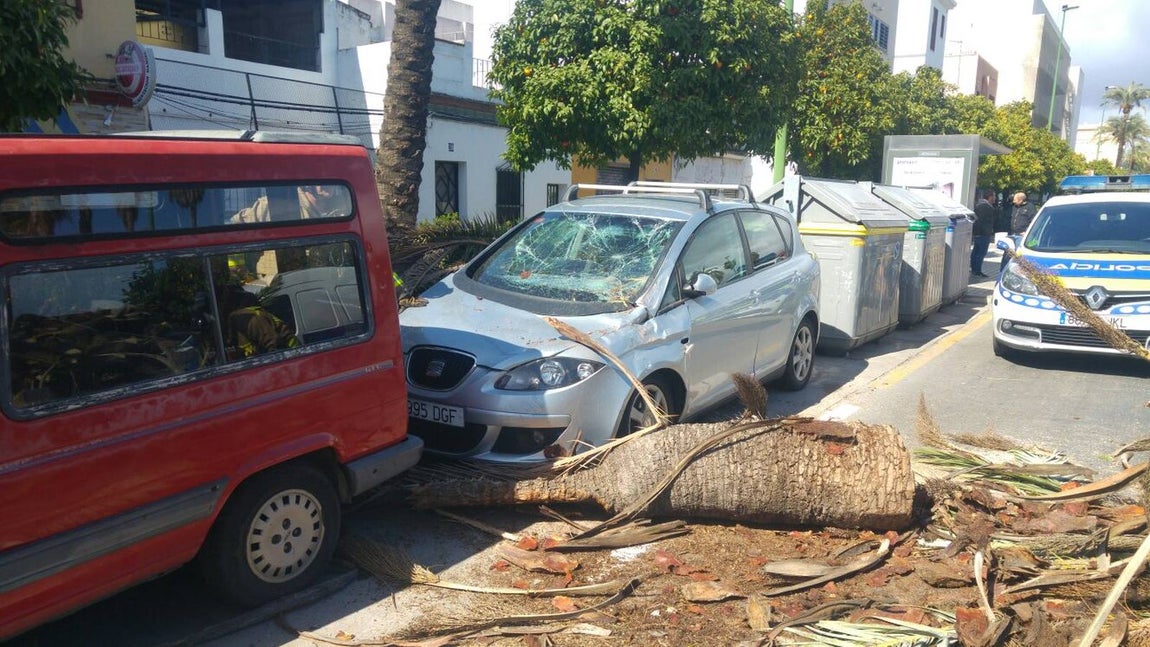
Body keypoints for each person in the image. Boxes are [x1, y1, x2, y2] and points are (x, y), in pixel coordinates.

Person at [970, 190, 997, 278]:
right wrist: (982, 232)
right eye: (994, 196)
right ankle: (977, 270)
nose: (995, 198)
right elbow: (981, 221)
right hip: (983, 234)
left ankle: (974, 269)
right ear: (990, 197)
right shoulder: (986, 207)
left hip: (979, 233)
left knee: (976, 251)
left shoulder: (980, 206)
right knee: (980, 253)